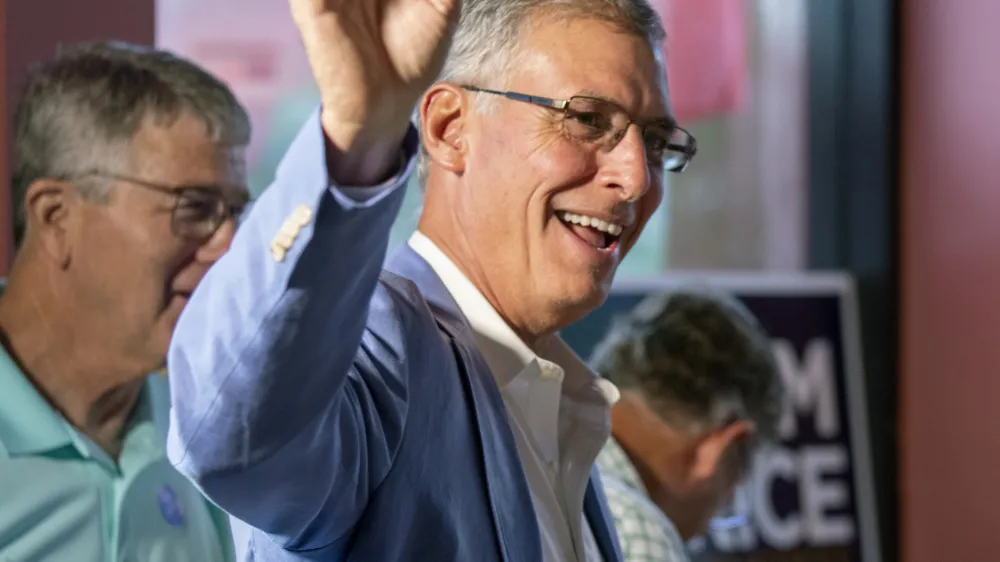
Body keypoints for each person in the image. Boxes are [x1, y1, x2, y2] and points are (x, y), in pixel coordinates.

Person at [166, 0, 696, 560]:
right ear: (448, 129)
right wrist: (355, 137)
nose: (637, 177)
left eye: (657, 143)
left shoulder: (556, 406)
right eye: (588, 120)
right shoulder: (382, 346)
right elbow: (235, 438)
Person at [0, 41, 251, 561]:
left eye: (233, 213)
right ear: (55, 216)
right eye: (195, 208)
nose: (228, 247)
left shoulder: (205, 439)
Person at [590, 291, 785, 561]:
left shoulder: (528, 453)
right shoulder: (637, 536)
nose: (707, 526)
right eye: (732, 490)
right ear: (718, 448)